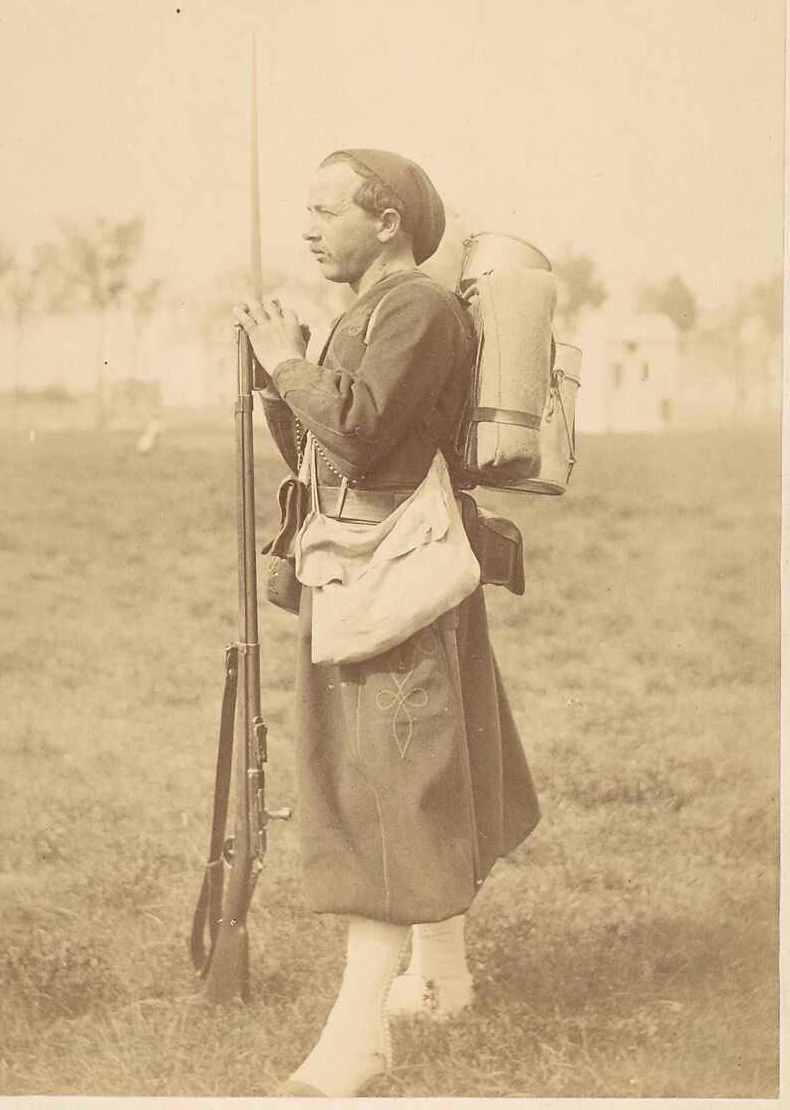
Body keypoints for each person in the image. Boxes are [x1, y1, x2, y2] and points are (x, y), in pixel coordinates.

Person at [232, 149, 540, 1097]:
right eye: (307, 212)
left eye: (327, 211)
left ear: (390, 220)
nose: (309, 228)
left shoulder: (414, 307)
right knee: (414, 775)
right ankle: (439, 979)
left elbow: (359, 436)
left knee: (389, 787)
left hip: (396, 580)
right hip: (372, 572)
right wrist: (276, 374)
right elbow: (325, 445)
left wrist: (289, 361)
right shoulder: (363, 314)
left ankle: (358, 1038)